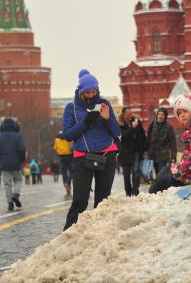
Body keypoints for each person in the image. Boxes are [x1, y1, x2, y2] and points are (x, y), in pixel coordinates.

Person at [62, 69, 120, 231]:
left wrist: (107, 120)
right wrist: (86, 122)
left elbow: (116, 132)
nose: (91, 94)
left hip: (107, 153)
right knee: (80, 199)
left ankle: (100, 234)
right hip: (82, 156)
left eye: (94, 91)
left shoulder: (104, 104)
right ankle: (68, 235)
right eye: (88, 92)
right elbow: (67, 135)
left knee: (103, 200)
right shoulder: (71, 108)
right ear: (81, 91)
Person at [0, 118, 26, 212]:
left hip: (4, 163)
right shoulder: (18, 136)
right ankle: (16, 194)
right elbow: (22, 149)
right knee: (18, 179)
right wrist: (21, 159)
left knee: (7, 184)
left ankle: (10, 203)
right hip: (16, 162)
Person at [118, 107, 146, 197]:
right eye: (129, 113)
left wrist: (144, 147)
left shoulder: (136, 122)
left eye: (131, 113)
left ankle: (135, 191)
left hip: (135, 152)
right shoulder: (120, 124)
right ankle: (128, 192)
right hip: (124, 153)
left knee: (136, 172)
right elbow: (123, 136)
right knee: (126, 175)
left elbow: (142, 134)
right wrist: (132, 128)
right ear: (124, 115)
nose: (131, 115)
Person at [146, 107, 177, 176]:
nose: (160, 116)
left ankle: (161, 186)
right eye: (159, 114)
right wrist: (146, 150)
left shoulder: (169, 127)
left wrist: (173, 156)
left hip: (163, 155)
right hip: (153, 154)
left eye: (162, 115)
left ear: (165, 116)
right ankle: (160, 186)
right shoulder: (152, 124)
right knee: (157, 173)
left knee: (161, 173)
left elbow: (173, 143)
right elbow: (148, 138)